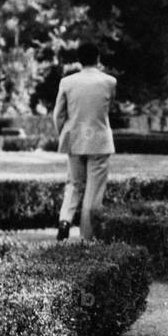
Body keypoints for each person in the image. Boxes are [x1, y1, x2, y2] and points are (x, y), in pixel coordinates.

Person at [53, 41, 117, 242]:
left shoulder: (67, 82)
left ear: (79, 60)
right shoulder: (110, 82)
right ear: (98, 58)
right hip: (99, 141)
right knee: (93, 192)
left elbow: (58, 115)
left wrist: (63, 135)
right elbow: (108, 109)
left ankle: (65, 220)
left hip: (75, 139)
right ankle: (86, 238)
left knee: (74, 184)